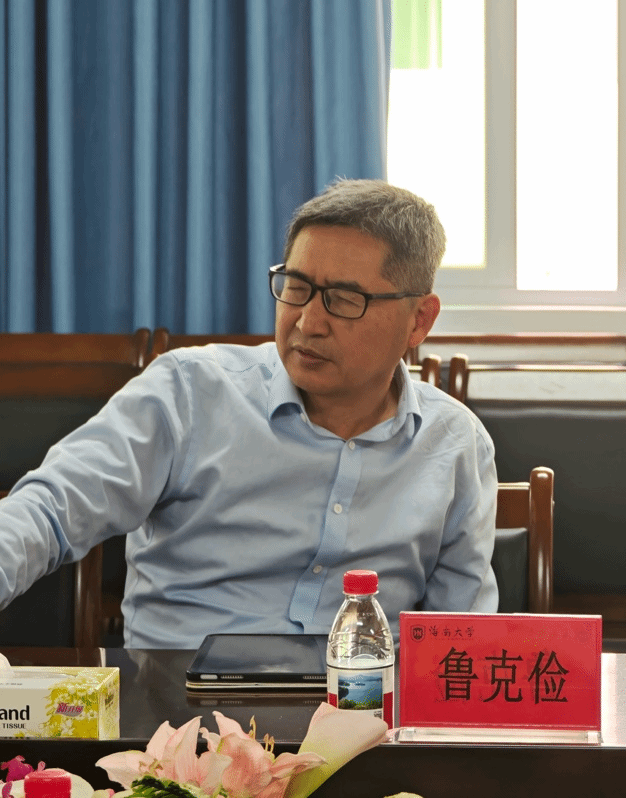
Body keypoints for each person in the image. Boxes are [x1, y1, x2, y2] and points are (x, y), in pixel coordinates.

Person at [0, 179, 498, 648]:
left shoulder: (455, 444)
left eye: (344, 300)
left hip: (358, 703)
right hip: (179, 700)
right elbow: (49, 510)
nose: (308, 322)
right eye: (296, 287)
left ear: (419, 320)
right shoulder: (189, 391)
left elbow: (463, 640)